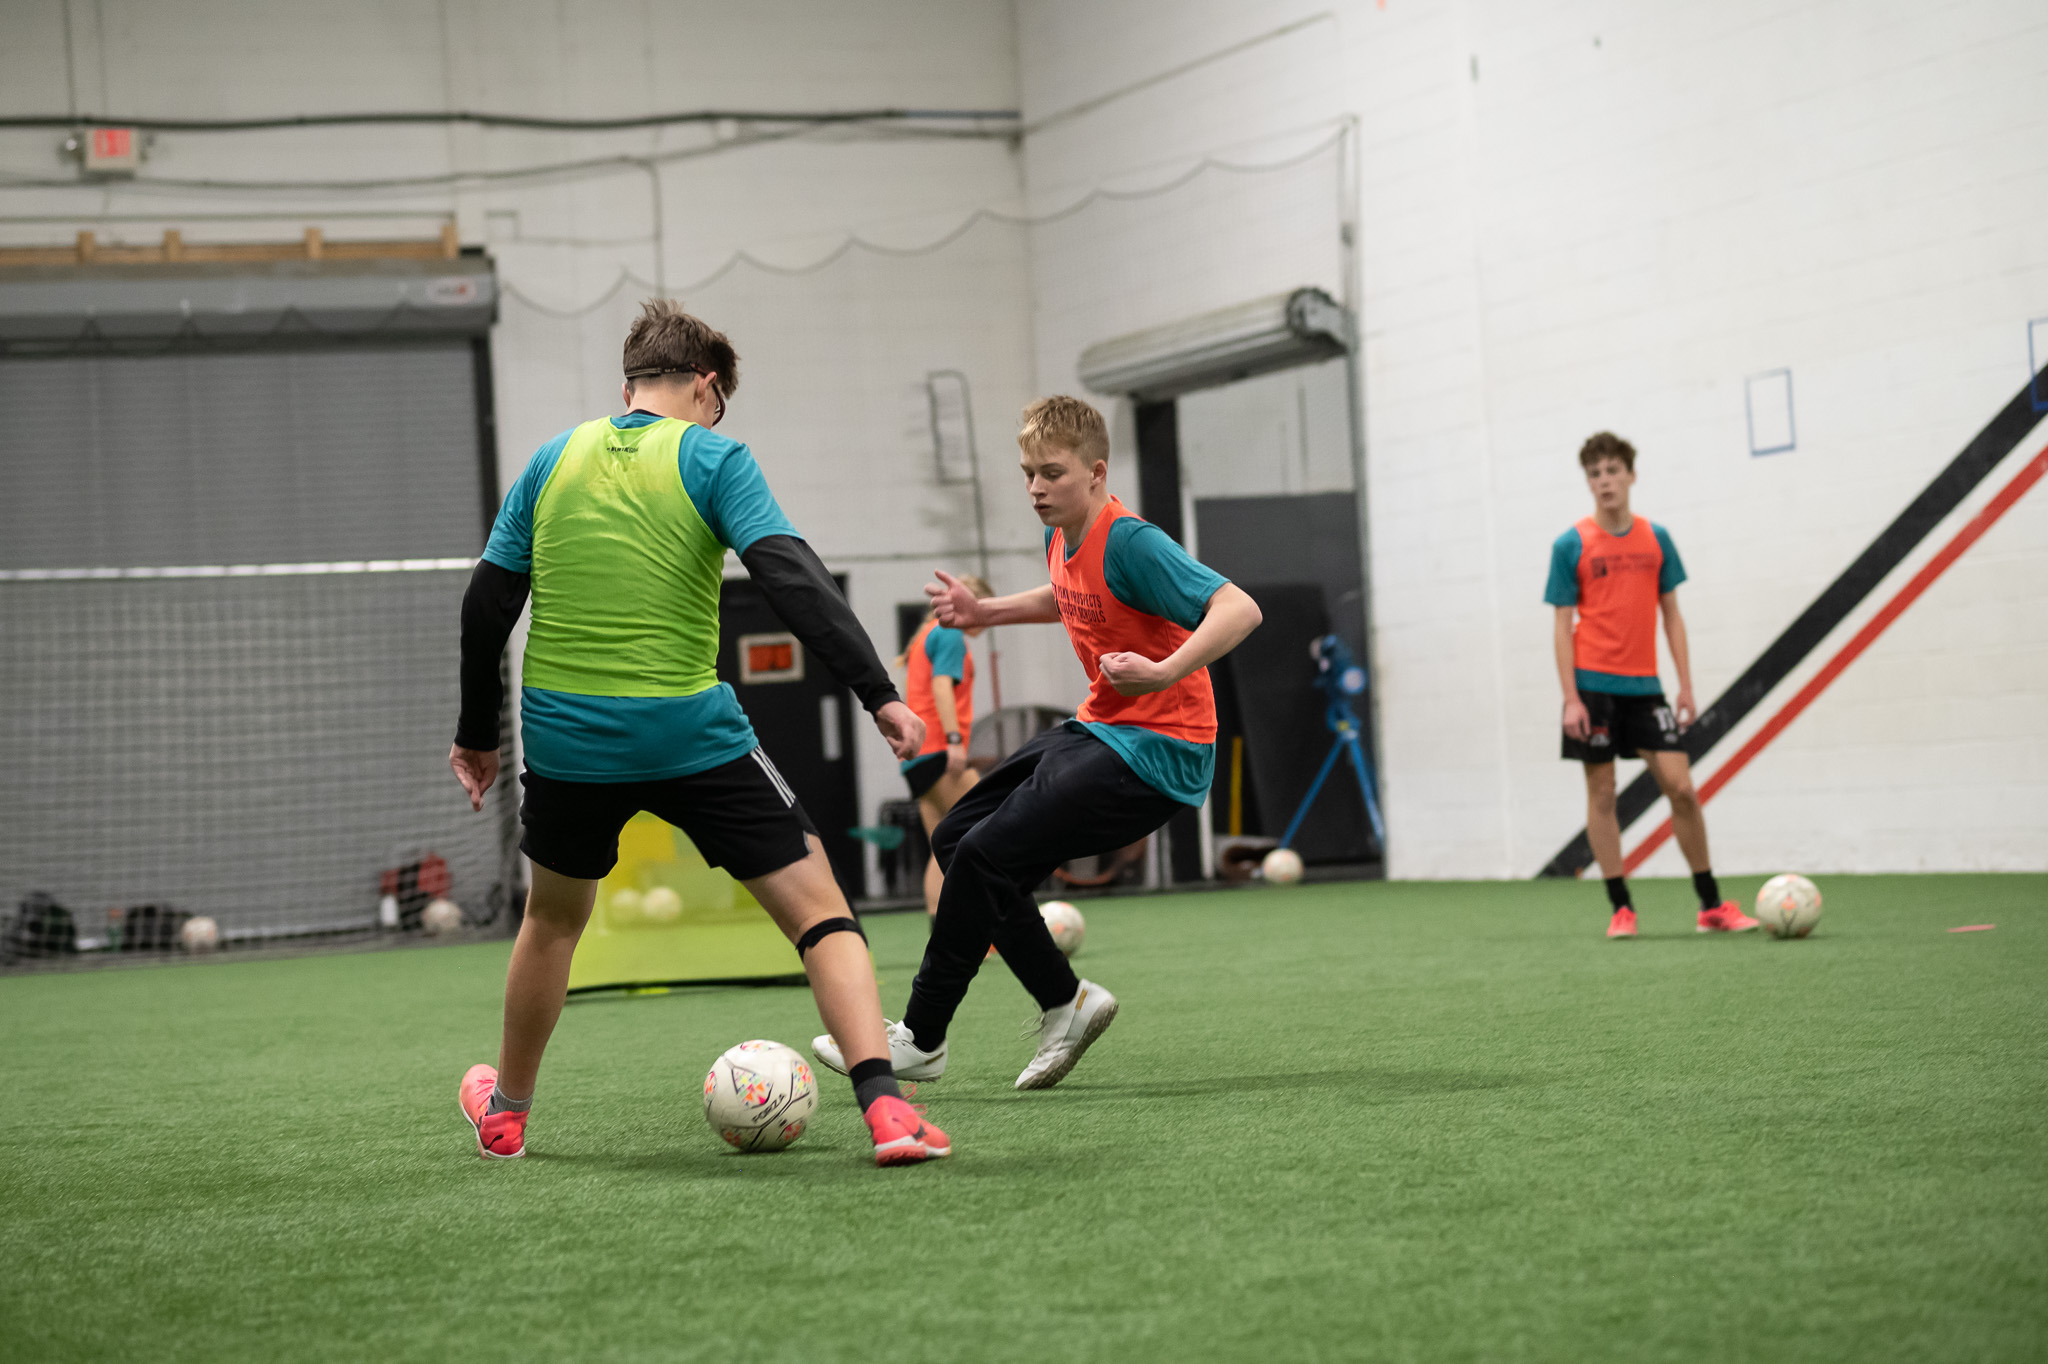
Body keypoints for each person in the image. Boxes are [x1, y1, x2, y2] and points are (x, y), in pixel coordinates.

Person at [448, 299, 949, 1165]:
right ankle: (888, 1113)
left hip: (569, 740)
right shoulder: (715, 455)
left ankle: (509, 1113)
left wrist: (476, 733)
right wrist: (879, 694)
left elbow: (488, 603)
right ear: (708, 390)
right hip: (690, 734)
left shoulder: (549, 460)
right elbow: (792, 579)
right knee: (823, 916)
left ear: (629, 385)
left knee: (555, 922)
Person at [813, 396, 1262, 1090]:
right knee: (957, 837)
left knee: (988, 857)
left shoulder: (1132, 541)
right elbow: (1065, 594)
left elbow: (1239, 607)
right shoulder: (1061, 535)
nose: (1035, 488)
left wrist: (1167, 669)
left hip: (1161, 751)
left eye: (1051, 473)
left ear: (1097, 471)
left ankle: (920, 1038)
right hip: (1101, 729)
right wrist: (985, 611)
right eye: (1027, 473)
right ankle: (1065, 1001)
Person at [1545, 431, 1758, 939]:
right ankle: (1621, 908)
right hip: (1593, 686)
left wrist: (1684, 686)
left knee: (1681, 788)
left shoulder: (1656, 538)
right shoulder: (1570, 544)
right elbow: (1561, 625)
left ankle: (1710, 906)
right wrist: (1570, 698)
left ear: (1631, 475)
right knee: (1602, 793)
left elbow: (1673, 617)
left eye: (1612, 471)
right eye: (1594, 474)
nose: (1604, 482)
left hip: (1645, 688)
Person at [896, 575, 993, 918]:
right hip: (938, 749)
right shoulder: (950, 632)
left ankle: (943, 936)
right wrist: (954, 741)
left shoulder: (927, 633)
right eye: (987, 607)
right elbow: (941, 687)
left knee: (943, 849)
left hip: (917, 757)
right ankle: (995, 930)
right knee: (989, 830)